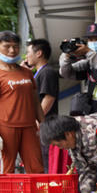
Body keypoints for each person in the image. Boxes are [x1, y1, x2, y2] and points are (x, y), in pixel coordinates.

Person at [0, 31, 45, 174]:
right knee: (5, 171)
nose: (12, 50)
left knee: (37, 169)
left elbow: (35, 102)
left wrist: (44, 125)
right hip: (5, 128)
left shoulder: (27, 72)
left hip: (29, 127)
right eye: (7, 46)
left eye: (15, 46)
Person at [26, 38, 60, 168]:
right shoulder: (38, 73)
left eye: (28, 52)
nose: (26, 56)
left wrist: (37, 120)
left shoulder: (47, 72)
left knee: (45, 162)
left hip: (44, 125)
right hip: (40, 125)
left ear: (39, 53)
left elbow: (49, 98)